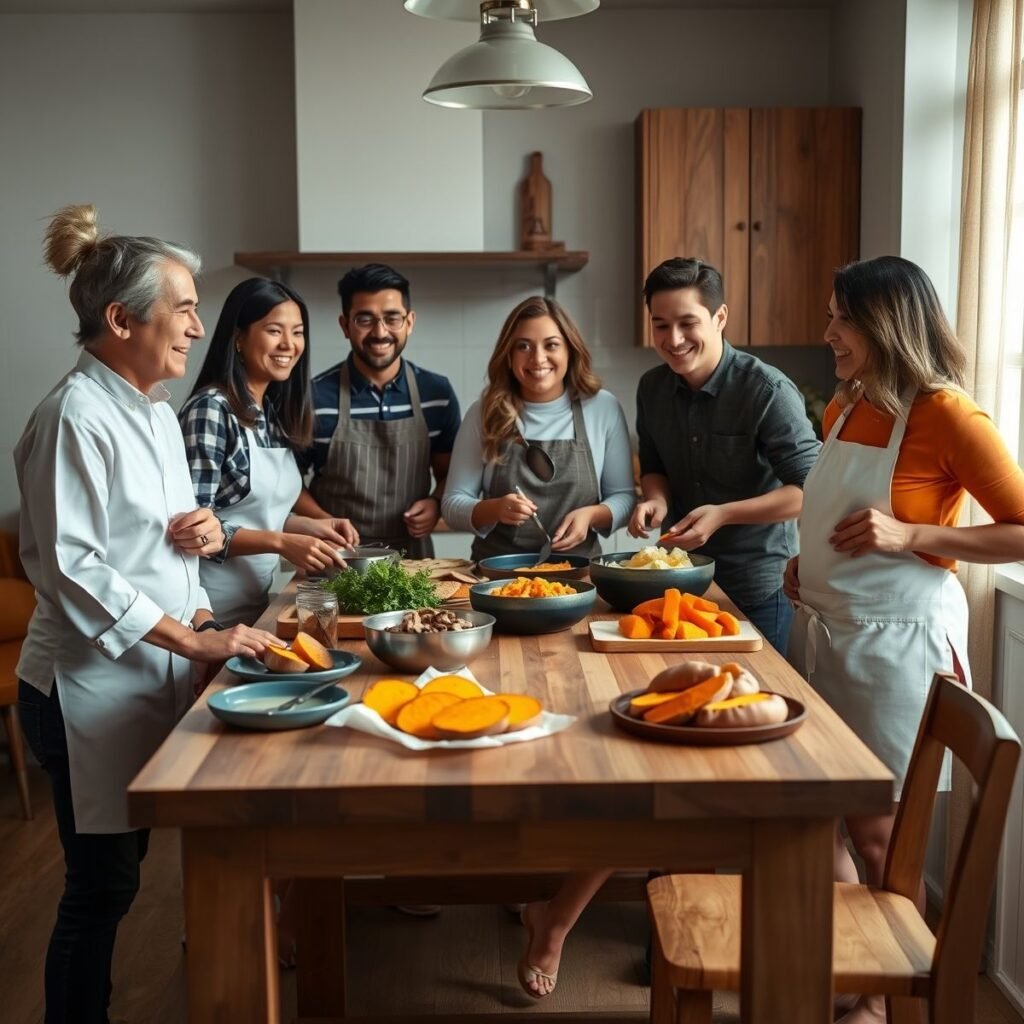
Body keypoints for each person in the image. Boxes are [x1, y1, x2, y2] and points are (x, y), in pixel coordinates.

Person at [16, 204, 279, 1023]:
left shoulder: (158, 414)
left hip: (149, 672)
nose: (201, 326)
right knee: (102, 888)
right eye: (187, 307)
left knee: (126, 874)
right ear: (121, 318)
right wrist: (194, 637)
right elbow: (75, 569)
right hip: (78, 688)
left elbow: (177, 543)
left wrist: (202, 563)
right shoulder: (73, 417)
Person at [785, 255, 1024, 1024]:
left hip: (896, 649)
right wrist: (804, 562)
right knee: (815, 822)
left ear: (887, 325)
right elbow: (836, 518)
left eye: (840, 319)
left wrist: (915, 532)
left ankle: (882, 1004)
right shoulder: (846, 409)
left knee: (885, 841)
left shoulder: (949, 414)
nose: (827, 334)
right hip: (823, 638)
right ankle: (841, 982)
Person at [629, 257, 821, 651]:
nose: (674, 338)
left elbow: (810, 492)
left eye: (688, 323)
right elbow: (653, 466)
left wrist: (724, 513)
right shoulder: (652, 388)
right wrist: (656, 499)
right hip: (680, 584)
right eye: (660, 325)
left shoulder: (767, 390)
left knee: (761, 701)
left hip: (759, 589)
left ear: (719, 317)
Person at [180, 277, 358, 628]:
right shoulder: (211, 410)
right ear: (239, 338)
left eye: (298, 332)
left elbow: (254, 512)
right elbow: (194, 527)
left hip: (253, 610)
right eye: (275, 330)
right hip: (204, 615)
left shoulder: (269, 413)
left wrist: (310, 527)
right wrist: (281, 542)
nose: (289, 344)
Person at [442, 296, 635, 559]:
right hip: (498, 578)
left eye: (551, 345)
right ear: (509, 355)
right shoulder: (484, 412)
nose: (538, 358)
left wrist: (591, 515)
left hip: (580, 578)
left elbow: (624, 497)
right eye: (523, 346)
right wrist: (495, 509)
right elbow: (452, 505)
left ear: (570, 350)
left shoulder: (602, 408)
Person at [293, 263, 461, 557]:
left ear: (409, 322)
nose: (380, 332)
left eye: (392, 318)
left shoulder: (437, 394)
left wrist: (435, 503)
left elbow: (451, 473)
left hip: (414, 561)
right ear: (345, 325)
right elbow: (288, 483)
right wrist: (324, 522)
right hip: (336, 558)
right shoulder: (313, 397)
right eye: (365, 319)